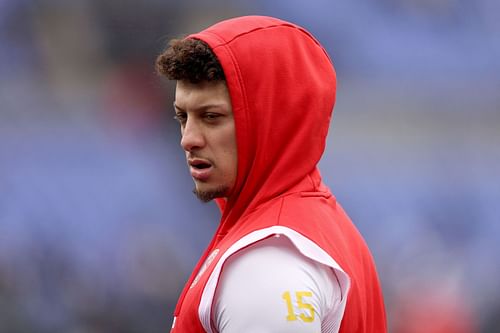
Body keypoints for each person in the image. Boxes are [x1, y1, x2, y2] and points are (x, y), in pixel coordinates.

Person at [156, 15, 386, 332]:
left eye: (211, 116)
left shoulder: (269, 264)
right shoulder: (318, 224)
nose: (188, 138)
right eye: (183, 116)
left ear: (271, 122)